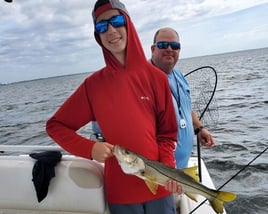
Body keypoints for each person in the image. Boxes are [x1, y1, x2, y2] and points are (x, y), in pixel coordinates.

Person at [46, 1, 181, 214]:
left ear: (128, 23)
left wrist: (167, 169)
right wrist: (89, 148)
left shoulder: (157, 78)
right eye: (101, 26)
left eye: (116, 21)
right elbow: (56, 126)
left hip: (160, 188)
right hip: (121, 194)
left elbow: (166, 135)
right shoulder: (93, 85)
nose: (110, 30)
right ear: (97, 36)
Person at [150, 27, 215, 169]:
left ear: (179, 50)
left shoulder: (179, 75)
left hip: (181, 170)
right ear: (153, 49)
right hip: (160, 172)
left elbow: (186, 107)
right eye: (162, 45)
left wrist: (199, 128)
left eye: (174, 46)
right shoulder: (144, 79)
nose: (169, 49)